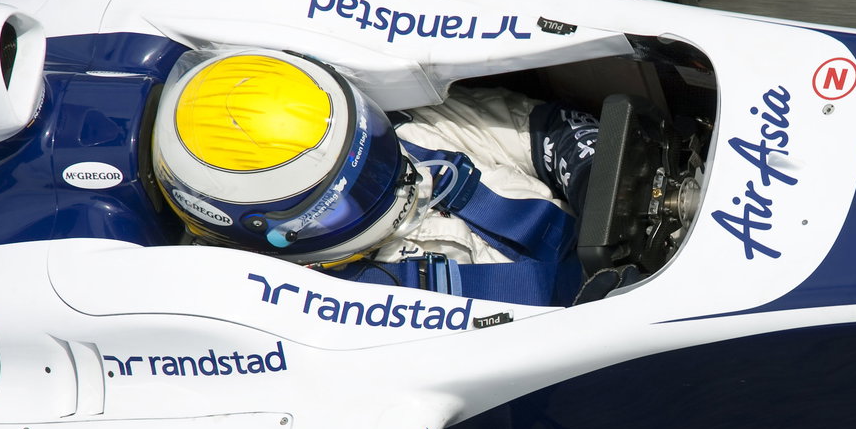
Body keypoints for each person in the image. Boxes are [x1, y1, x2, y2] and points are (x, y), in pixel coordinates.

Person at [150, 48, 599, 305]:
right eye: (344, 201)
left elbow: (548, 129)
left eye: (374, 159)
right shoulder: (284, 311)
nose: (391, 187)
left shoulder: (413, 136)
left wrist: (599, 183)